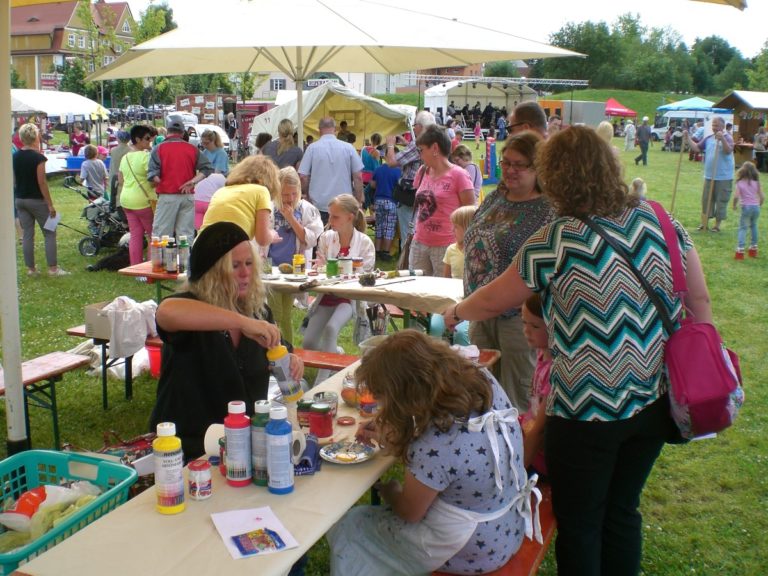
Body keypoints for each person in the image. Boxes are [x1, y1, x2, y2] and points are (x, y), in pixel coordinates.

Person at [443, 125, 713, 576]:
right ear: (609, 166)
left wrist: (455, 311)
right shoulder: (660, 219)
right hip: (654, 398)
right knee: (622, 510)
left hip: (586, 408)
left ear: (556, 178)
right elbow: (699, 301)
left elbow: (494, 299)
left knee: (582, 522)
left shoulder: (558, 238)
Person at [326, 330, 539, 576]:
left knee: (352, 525)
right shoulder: (479, 379)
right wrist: (396, 431)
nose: (383, 406)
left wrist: (391, 491)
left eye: (384, 399)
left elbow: (410, 512)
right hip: (508, 524)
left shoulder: (434, 444)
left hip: (474, 550)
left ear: (403, 397)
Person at [150, 221, 303, 459]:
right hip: (186, 449)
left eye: (249, 264)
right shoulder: (192, 307)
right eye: (235, 266)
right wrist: (241, 322)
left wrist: (291, 359)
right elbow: (166, 312)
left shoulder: (258, 312)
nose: (245, 273)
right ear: (212, 272)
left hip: (243, 445)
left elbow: (280, 350)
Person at [461, 131, 554, 410]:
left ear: (537, 168)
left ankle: (518, 438)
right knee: (479, 387)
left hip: (518, 318)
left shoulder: (548, 210)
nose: (510, 170)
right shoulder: (495, 198)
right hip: (480, 310)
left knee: (516, 393)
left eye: (519, 165)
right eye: (506, 163)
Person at [302, 194, 375, 383]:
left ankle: (322, 382)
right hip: (326, 295)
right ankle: (335, 352)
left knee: (331, 328)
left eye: (335, 217)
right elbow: (319, 269)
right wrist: (321, 268)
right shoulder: (327, 238)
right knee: (309, 342)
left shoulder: (364, 242)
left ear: (350, 217)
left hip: (348, 298)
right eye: (330, 216)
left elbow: (365, 276)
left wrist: (330, 267)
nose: (330, 220)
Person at [267, 167, 323, 344]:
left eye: (294, 193)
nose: (290, 199)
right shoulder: (268, 208)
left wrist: (291, 219)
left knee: (285, 314)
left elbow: (311, 239)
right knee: (275, 313)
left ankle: (286, 349)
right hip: (271, 268)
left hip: (293, 269)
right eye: (285, 194)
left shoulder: (306, 209)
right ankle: (277, 349)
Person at [409, 125, 474, 276]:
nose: (420, 155)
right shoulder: (423, 171)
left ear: (435, 148)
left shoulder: (459, 175)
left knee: (443, 288)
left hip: (446, 246)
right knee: (415, 287)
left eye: (421, 150)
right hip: (419, 243)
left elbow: (470, 213)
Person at [13, 123, 69, 276]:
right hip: (36, 200)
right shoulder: (38, 157)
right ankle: (53, 268)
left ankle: (31, 269)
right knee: (50, 232)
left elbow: (14, 180)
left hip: (20, 198)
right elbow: (42, 182)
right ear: (35, 137)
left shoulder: (15, 156)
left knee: (27, 234)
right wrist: (50, 205)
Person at [148, 115, 213, 240]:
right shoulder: (192, 149)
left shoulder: (159, 148)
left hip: (167, 196)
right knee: (185, 235)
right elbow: (207, 168)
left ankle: (164, 254)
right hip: (187, 196)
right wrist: (193, 181)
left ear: (167, 132)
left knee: (162, 234)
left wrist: (161, 180)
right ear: (182, 133)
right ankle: (185, 254)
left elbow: (153, 175)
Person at [385, 111, 436, 249]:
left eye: (414, 125)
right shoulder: (434, 141)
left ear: (420, 126)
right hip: (427, 193)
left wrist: (390, 145)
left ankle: (407, 260)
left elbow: (391, 162)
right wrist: (407, 144)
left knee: (408, 234)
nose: (413, 128)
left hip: (409, 195)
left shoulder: (418, 144)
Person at [298, 117, 364, 224]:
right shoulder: (349, 148)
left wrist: (307, 195)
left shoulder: (312, 148)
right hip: (344, 203)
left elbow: (303, 176)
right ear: (335, 129)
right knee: (343, 234)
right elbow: (358, 177)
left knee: (319, 234)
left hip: (318, 204)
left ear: (319, 130)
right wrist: (358, 200)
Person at [201, 155, 277, 247]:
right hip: (227, 247)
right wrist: (272, 235)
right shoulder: (261, 191)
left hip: (201, 245)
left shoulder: (221, 191)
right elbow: (262, 239)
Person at [428, 205, 475, 345]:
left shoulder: (478, 252)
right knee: (435, 328)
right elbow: (446, 280)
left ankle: (465, 357)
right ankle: (436, 356)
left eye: (456, 227)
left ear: (468, 228)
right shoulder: (451, 250)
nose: (452, 230)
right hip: (451, 300)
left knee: (461, 333)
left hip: (471, 302)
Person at [519, 292, 552, 477]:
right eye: (524, 322)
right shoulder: (542, 352)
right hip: (529, 435)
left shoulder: (554, 371)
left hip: (539, 456)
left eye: (535, 326)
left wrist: (517, 473)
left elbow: (540, 430)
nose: (526, 331)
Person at [684, 115, 735, 232]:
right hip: (709, 175)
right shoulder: (709, 138)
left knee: (721, 201)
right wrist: (688, 138)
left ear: (723, 126)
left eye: (716, 125)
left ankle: (717, 226)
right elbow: (697, 148)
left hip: (724, 177)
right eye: (713, 125)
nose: (714, 127)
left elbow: (728, 151)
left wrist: (722, 139)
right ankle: (704, 224)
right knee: (706, 200)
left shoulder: (728, 137)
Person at [118, 125, 157, 265]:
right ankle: (150, 269)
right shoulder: (146, 157)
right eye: (147, 138)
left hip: (126, 200)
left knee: (135, 235)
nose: (150, 141)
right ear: (138, 139)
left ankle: (135, 269)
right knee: (153, 236)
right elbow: (153, 180)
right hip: (143, 201)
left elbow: (121, 180)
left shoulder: (125, 158)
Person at [370, 152, 401, 261]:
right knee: (389, 227)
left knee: (379, 226)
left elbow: (372, 184)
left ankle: (377, 250)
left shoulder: (378, 169)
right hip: (391, 201)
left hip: (378, 200)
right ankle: (386, 252)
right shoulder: (398, 171)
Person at [732, 160, 764, 259]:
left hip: (746, 207)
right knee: (754, 226)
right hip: (756, 207)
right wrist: (759, 205)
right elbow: (762, 197)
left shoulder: (740, 183)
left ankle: (740, 250)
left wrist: (734, 205)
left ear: (742, 171)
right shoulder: (756, 183)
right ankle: (753, 248)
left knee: (743, 228)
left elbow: (736, 196)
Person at [108, 130, 131, 207]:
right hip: (126, 177)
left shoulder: (113, 150)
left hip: (114, 176)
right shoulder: (131, 150)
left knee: (115, 198)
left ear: (118, 139)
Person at [360, 132, 382, 208]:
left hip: (363, 176)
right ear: (379, 142)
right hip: (372, 179)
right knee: (372, 202)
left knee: (365, 200)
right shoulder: (377, 152)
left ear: (371, 139)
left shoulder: (363, 149)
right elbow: (377, 167)